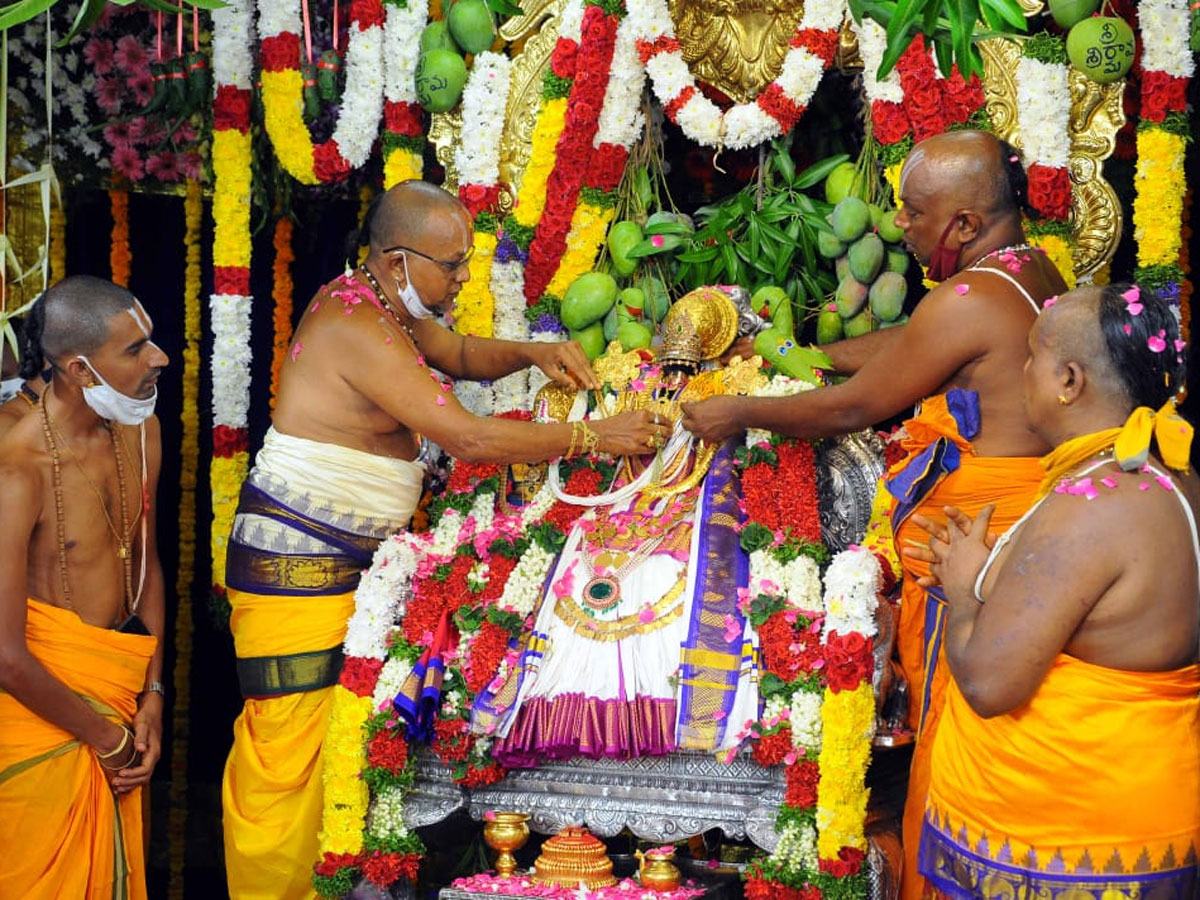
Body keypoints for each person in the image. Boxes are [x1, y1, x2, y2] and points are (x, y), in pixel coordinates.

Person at [221, 180, 668, 899]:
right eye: (452, 265)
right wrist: (594, 435)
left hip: (352, 566)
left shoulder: (385, 304)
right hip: (296, 568)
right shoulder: (355, 323)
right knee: (290, 756)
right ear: (398, 261)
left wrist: (531, 351)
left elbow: (456, 351)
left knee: (341, 745)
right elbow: (462, 434)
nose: (463, 278)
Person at [681, 129, 1069, 899]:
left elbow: (863, 405)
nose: (899, 228)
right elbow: (911, 345)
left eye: (915, 213)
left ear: (963, 224)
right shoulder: (1023, 268)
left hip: (981, 555)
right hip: (1013, 535)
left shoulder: (967, 296)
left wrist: (740, 410)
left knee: (962, 742)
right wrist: (803, 356)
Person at [909, 283, 1199, 899]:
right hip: (1141, 813)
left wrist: (964, 587)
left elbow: (990, 683)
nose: (1021, 372)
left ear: (1068, 380)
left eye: (1031, 355)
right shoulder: (1171, 474)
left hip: (1070, 840)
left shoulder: (1091, 506)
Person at [0, 276, 168, 899]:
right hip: (50, 723)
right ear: (78, 369)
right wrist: (109, 742)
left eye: (149, 341)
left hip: (124, 712)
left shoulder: (141, 429)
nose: (159, 358)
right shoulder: (17, 468)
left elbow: (146, 564)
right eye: (134, 349)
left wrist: (152, 694)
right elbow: (5, 656)